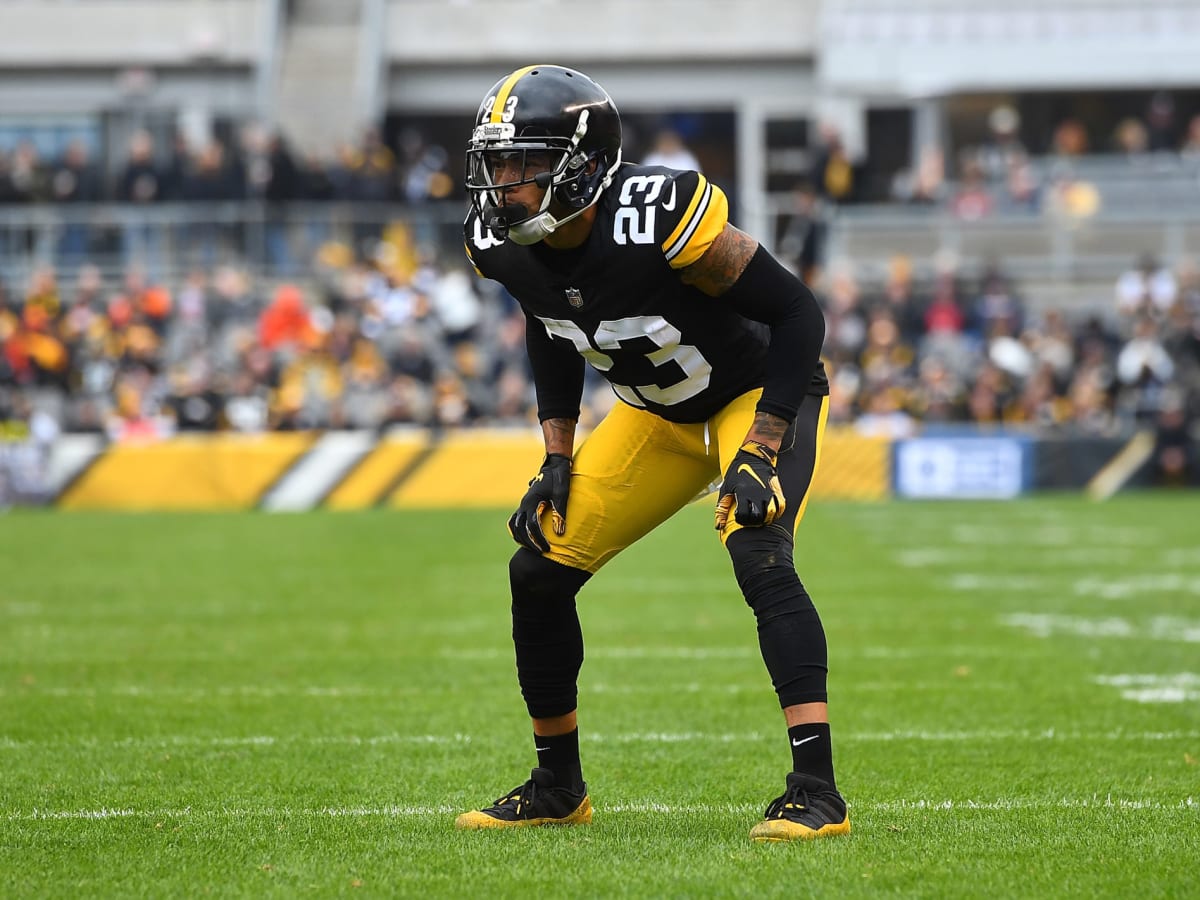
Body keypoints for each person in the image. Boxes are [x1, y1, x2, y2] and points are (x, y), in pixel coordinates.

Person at [454, 65, 844, 843]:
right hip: (658, 416)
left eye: (522, 163)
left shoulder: (658, 214)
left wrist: (764, 445)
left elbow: (799, 312)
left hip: (756, 394)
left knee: (758, 548)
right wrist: (555, 455)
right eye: (496, 164)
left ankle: (817, 790)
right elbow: (547, 322)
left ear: (582, 164)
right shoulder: (499, 242)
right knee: (537, 568)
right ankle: (557, 784)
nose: (503, 184)